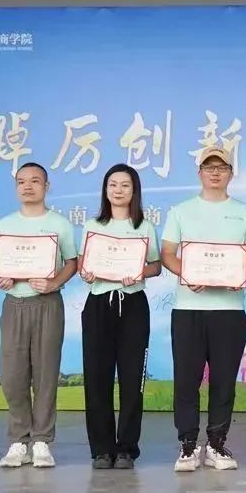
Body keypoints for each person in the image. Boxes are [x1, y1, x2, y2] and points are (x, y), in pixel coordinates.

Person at [160, 146, 246, 472]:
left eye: (222, 167)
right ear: (199, 172)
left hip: (229, 310)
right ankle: (188, 444)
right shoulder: (180, 212)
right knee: (186, 380)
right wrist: (188, 274)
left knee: (224, 381)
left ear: (231, 173)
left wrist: (236, 274)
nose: (215, 173)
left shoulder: (245, 213)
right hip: (188, 308)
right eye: (209, 167)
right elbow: (168, 253)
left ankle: (216, 443)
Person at [0, 163, 78, 469]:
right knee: (12, 375)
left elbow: (72, 262)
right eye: (21, 182)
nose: (27, 187)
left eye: (35, 181)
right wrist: (2, 277)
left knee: (45, 373)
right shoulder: (5, 224)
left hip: (47, 304)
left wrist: (54, 283)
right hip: (14, 304)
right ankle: (19, 440)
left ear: (47, 186)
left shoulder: (59, 224)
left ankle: (42, 440)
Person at [80, 164, 162, 470]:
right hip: (99, 304)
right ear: (105, 190)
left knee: (132, 379)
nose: (118, 190)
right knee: (97, 378)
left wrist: (140, 272)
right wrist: (86, 272)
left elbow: (156, 266)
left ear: (134, 190)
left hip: (133, 305)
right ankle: (102, 450)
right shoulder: (92, 225)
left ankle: (127, 448)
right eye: (112, 184)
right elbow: (83, 265)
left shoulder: (144, 226)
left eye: (125, 185)